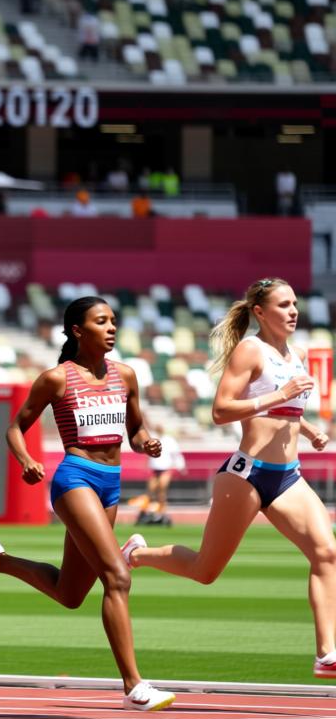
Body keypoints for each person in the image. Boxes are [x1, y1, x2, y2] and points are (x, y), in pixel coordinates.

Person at [0, 296, 176, 711]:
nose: (111, 327)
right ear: (78, 330)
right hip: (75, 479)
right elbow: (15, 428)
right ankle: (134, 686)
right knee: (117, 577)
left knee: (70, 593)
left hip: (111, 484)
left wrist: (145, 442)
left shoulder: (126, 375)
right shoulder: (56, 379)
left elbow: (135, 430)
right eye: (101, 321)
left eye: (113, 320)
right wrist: (26, 460)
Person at [124, 277, 336, 679]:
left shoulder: (297, 354)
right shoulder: (250, 350)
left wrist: (309, 431)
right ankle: (136, 554)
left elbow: (286, 410)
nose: (293, 311)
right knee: (205, 571)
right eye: (283, 305)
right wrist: (282, 393)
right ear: (259, 312)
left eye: (295, 303)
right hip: (247, 475)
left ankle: (326, 654)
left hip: (288, 477)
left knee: (327, 553)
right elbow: (221, 410)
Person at [137, 423, 184, 526]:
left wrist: (181, 466)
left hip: (165, 469)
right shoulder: (152, 438)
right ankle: (145, 512)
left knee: (162, 492)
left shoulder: (169, 440)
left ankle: (162, 513)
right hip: (155, 470)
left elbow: (176, 454)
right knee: (150, 492)